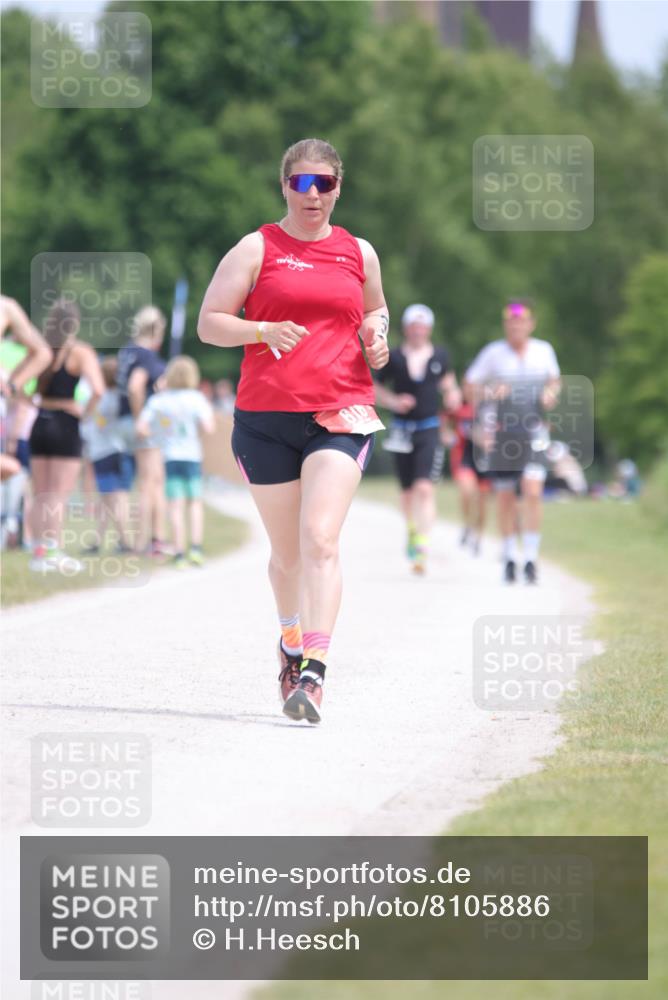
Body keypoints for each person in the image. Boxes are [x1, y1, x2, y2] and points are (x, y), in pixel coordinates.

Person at [198, 137, 389, 724]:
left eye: (323, 184)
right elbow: (210, 324)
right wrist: (261, 332)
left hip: (341, 410)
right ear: (284, 185)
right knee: (286, 558)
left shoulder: (359, 252)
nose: (312, 195)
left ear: (337, 189)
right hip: (266, 420)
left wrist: (375, 335)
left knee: (320, 540)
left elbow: (376, 307)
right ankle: (289, 641)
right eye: (301, 183)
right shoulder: (257, 248)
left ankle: (315, 671)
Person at [464, 299, 561, 584]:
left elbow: (554, 381)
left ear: (531, 324)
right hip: (503, 433)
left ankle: (530, 557)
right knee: (505, 495)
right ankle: (508, 556)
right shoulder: (493, 354)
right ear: (505, 326)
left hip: (533, 431)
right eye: (510, 322)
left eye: (521, 322)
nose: (515, 327)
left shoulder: (544, 351)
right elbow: (470, 387)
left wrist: (550, 394)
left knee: (532, 491)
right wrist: (491, 391)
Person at [374, 304, 458, 574]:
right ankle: (411, 528)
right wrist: (394, 401)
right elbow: (374, 388)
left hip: (430, 428)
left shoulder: (441, 356)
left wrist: (453, 396)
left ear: (429, 329)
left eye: (423, 326)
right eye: (414, 326)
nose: (418, 330)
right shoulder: (395, 357)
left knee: (425, 488)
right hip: (401, 430)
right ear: (406, 328)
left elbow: (449, 385)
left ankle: (422, 543)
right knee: (407, 491)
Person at [28, 300, 105, 573]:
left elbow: (26, 391)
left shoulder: (42, 350)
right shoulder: (80, 352)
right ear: (76, 323)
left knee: (39, 493)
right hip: (65, 424)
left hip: (39, 422)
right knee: (58, 495)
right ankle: (54, 551)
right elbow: (98, 389)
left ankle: (38, 552)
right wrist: (83, 413)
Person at [136, 355, 215, 567]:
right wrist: (196, 435)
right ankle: (196, 548)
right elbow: (209, 427)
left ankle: (179, 552)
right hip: (192, 455)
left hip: (170, 456)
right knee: (195, 502)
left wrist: (160, 434)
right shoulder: (196, 398)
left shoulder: (160, 400)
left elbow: (141, 428)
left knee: (175, 504)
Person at [116, 306, 167, 555]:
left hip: (124, 419)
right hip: (143, 421)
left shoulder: (127, 351)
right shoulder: (146, 354)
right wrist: (141, 419)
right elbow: (137, 387)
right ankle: (150, 540)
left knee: (143, 482)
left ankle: (143, 539)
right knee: (152, 483)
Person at [80, 357, 135, 554]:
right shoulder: (121, 397)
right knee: (112, 499)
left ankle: (125, 541)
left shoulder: (97, 397)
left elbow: (86, 423)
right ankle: (98, 540)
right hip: (119, 450)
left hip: (101, 452)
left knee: (113, 498)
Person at [445, 396, 491, 556]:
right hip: (466, 457)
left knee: (482, 501)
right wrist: (447, 434)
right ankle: (467, 525)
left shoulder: (495, 409)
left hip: (486, 460)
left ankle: (478, 536)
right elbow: (444, 420)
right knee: (467, 492)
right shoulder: (460, 409)